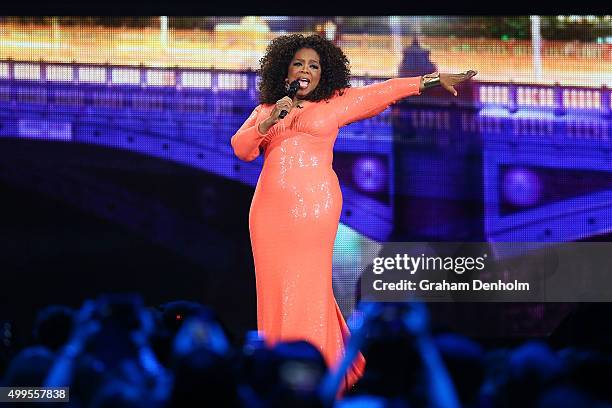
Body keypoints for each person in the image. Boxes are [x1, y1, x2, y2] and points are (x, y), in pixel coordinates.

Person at [230, 33, 476, 394]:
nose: (306, 70)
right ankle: (276, 362)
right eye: (299, 63)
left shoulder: (335, 103)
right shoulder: (267, 109)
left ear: (323, 73)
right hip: (268, 211)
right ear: (285, 71)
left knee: (308, 286)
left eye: (314, 65)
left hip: (314, 207)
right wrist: (269, 123)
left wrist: (431, 80)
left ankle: (315, 371)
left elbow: (382, 92)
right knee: (274, 288)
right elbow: (242, 149)